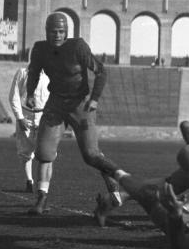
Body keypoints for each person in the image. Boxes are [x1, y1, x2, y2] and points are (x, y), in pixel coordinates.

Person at [25, 12, 122, 215]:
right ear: (47, 32)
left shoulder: (77, 46)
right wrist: (30, 93)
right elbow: (33, 71)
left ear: (66, 32)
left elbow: (101, 71)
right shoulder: (40, 49)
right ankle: (41, 199)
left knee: (91, 155)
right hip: (56, 103)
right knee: (44, 153)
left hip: (80, 103)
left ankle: (113, 178)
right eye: (53, 31)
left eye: (61, 31)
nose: (57, 35)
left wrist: (94, 99)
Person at [8, 63, 49, 192]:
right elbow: (13, 96)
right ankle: (29, 181)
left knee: (46, 152)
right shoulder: (23, 73)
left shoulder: (50, 75)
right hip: (26, 115)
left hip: (44, 116)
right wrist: (19, 117)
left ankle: (43, 187)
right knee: (25, 152)